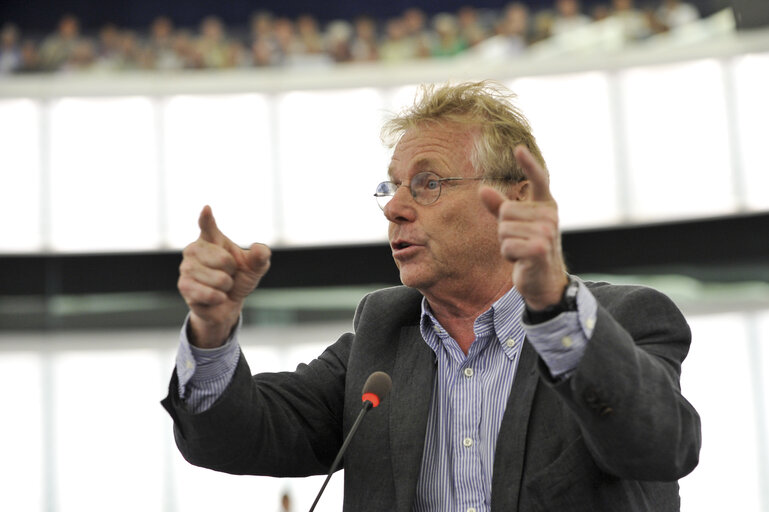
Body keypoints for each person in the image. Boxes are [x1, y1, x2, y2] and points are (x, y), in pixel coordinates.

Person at [162, 80, 701, 511]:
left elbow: (659, 447)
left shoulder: (626, 319)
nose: (396, 207)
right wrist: (211, 330)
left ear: (516, 198)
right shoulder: (381, 338)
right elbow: (229, 437)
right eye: (391, 187)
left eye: (428, 183)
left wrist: (556, 307)